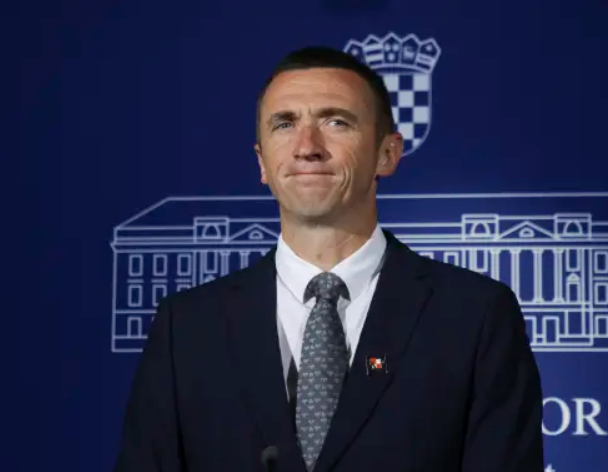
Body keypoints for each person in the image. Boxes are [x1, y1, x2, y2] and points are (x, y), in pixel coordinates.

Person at [113, 46, 544, 472]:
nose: (307, 147)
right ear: (262, 162)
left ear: (387, 153)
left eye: (336, 122)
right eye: (285, 124)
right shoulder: (187, 328)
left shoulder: (474, 316)